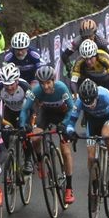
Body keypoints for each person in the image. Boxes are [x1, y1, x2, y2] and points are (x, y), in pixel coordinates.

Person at [21, 65, 76, 205]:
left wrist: (64, 124)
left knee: (65, 150)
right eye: (42, 83)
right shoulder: (37, 90)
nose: (45, 86)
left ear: (53, 80)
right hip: (45, 114)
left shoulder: (62, 88)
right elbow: (25, 109)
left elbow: (71, 108)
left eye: (48, 83)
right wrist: (23, 125)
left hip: (62, 116)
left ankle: (69, 188)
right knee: (34, 138)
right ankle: (40, 162)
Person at [65, 79, 109, 186]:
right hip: (92, 121)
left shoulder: (105, 95)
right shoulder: (79, 101)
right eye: (86, 104)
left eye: (92, 102)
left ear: (96, 96)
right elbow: (70, 124)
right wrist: (71, 133)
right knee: (91, 157)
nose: (90, 106)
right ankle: (94, 187)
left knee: (106, 135)